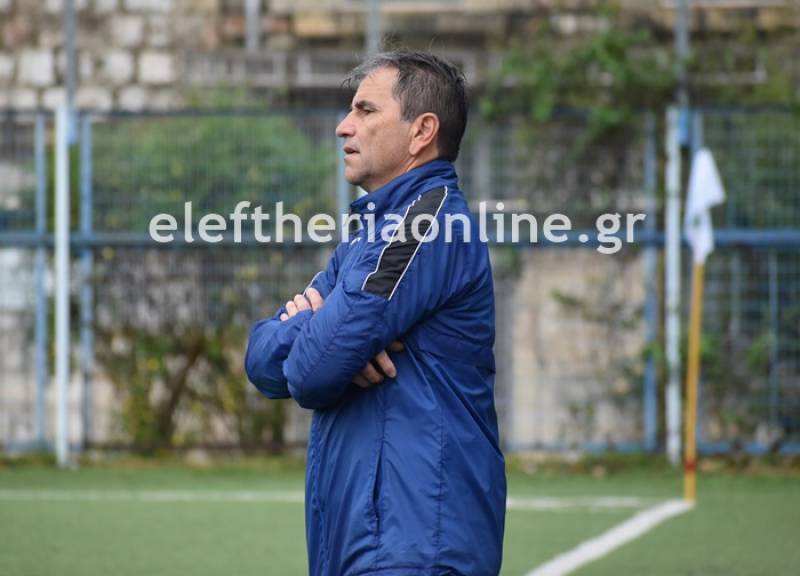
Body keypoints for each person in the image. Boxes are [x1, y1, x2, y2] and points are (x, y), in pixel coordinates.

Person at [245, 50, 506, 576]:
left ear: (421, 132)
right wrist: (328, 335)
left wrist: (325, 336)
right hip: (365, 539)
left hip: (416, 545)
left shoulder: (425, 226)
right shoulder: (371, 237)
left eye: (365, 111)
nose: (344, 126)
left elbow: (311, 372)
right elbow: (262, 362)